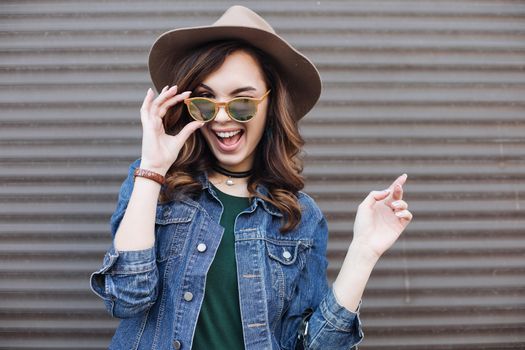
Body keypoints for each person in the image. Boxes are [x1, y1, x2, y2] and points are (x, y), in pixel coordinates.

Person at [90, 5, 413, 350]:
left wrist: (363, 253)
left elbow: (312, 346)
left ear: (270, 105)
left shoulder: (300, 217)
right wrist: (153, 168)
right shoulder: (156, 186)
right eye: (206, 101)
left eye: (242, 102)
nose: (221, 118)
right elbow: (126, 298)